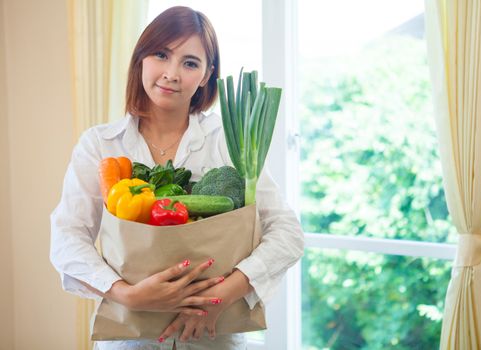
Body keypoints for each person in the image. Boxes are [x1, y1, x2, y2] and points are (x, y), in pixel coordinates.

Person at [50, 6, 304, 350]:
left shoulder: (227, 140)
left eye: (190, 63)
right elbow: (67, 237)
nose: (171, 73)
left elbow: (287, 233)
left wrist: (220, 296)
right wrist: (128, 295)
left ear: (206, 75)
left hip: (216, 337)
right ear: (141, 58)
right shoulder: (100, 144)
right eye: (161, 54)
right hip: (130, 341)